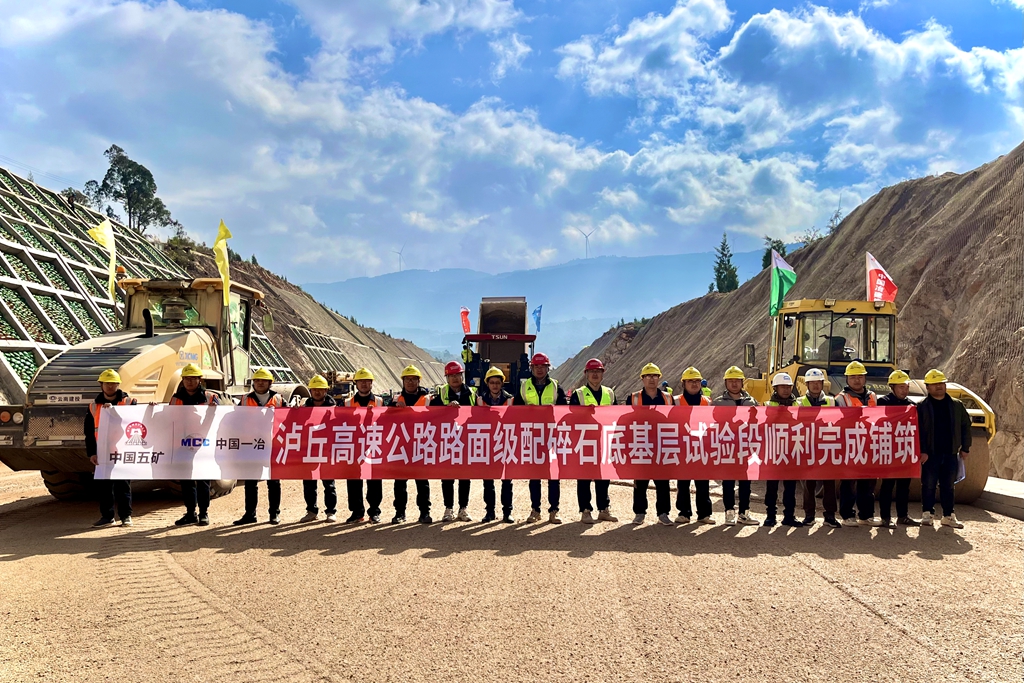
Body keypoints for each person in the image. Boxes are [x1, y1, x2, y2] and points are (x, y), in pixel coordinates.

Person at [514, 352, 567, 523]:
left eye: (542, 366)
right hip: (532, 437)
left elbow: (564, 411)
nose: (539, 369)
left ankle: (554, 510)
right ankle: (535, 510)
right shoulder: (524, 387)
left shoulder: (556, 387)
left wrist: (554, 411)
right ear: (531, 368)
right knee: (534, 476)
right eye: (536, 366)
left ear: (547, 368)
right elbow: (516, 410)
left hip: (552, 436)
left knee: (553, 475)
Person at [917, 369, 971, 529]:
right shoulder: (921, 407)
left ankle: (948, 516)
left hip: (950, 453)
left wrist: (965, 447)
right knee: (928, 485)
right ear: (927, 387)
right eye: (935, 384)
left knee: (948, 486)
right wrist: (922, 450)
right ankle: (927, 514)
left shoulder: (957, 405)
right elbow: (918, 431)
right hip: (930, 454)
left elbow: (965, 426)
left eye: (941, 383)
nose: (939, 386)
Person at [170, 363, 220, 527]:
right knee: (186, 481)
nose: (189, 381)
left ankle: (204, 513)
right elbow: (168, 419)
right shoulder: (176, 398)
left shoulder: (210, 397)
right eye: (186, 378)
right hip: (183, 444)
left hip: (203, 444)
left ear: (200, 380)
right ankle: (190, 513)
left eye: (193, 378)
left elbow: (220, 419)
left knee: (203, 479)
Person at [86, 369, 137, 527]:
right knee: (104, 487)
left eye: (113, 383)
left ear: (118, 385)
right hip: (103, 451)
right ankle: (107, 517)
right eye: (107, 383)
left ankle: (126, 516)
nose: (110, 386)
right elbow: (89, 432)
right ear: (101, 385)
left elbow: (140, 420)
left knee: (123, 485)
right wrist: (92, 453)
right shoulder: (94, 406)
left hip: (122, 450)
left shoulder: (129, 402)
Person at [569, 358, 618, 524]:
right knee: (584, 478)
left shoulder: (609, 393)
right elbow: (571, 417)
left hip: (604, 440)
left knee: (604, 477)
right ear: (586, 374)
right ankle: (585, 510)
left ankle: (603, 509)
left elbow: (615, 416)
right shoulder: (578, 394)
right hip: (585, 442)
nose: (595, 374)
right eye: (592, 371)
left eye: (598, 371)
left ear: (603, 373)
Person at [234, 368, 285, 526]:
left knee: (273, 482)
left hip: (272, 446)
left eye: (263, 380)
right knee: (250, 483)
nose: (260, 383)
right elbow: (234, 419)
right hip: (251, 447)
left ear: (270, 383)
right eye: (257, 380)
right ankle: (250, 514)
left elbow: (289, 419)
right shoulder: (244, 400)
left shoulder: (279, 399)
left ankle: (274, 514)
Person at [428, 360, 477, 522]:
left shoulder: (472, 394)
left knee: (465, 476)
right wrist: (446, 408)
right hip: (447, 440)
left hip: (465, 440)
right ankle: (448, 508)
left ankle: (463, 508)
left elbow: (478, 414)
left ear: (462, 376)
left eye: (457, 375)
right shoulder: (441, 393)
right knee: (447, 476)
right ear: (447, 378)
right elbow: (431, 413)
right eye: (451, 376)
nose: (455, 378)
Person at [834, 361, 881, 527]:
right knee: (849, 481)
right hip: (850, 445)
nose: (857, 380)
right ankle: (847, 515)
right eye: (853, 377)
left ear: (865, 378)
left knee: (868, 482)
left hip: (869, 444)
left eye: (860, 376)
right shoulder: (841, 398)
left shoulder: (873, 396)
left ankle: (866, 515)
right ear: (847, 379)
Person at [712, 366, 760, 526]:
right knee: (728, 482)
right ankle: (729, 513)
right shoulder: (717, 403)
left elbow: (758, 422)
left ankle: (744, 513)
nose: (734, 384)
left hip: (746, 448)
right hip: (728, 448)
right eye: (731, 381)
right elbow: (712, 424)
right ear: (726, 383)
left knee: (746, 482)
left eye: (737, 380)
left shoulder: (752, 402)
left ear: (742, 382)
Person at [628, 363, 674, 526]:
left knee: (663, 482)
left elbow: (674, 420)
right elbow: (627, 420)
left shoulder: (668, 398)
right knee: (640, 482)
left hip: (662, 445)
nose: (651, 379)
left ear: (659, 378)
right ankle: (639, 513)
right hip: (641, 443)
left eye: (655, 376)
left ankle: (663, 513)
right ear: (642, 379)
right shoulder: (633, 398)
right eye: (648, 376)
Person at [876, 370, 921, 528]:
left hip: (905, 451)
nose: (904, 390)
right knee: (887, 486)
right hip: (888, 450)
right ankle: (885, 517)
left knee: (904, 486)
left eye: (906, 387)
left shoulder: (912, 406)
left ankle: (903, 516)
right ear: (892, 387)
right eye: (901, 387)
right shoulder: (882, 403)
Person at [796, 368, 840, 528]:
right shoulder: (799, 402)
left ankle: (830, 516)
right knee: (809, 484)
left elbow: (839, 422)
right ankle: (809, 515)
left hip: (827, 445)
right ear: (807, 384)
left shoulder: (831, 401)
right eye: (812, 383)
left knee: (829, 483)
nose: (815, 385)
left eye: (818, 383)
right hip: (808, 446)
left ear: (823, 384)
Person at [392, 365, 433, 524]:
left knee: (422, 482)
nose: (410, 382)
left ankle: (424, 512)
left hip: (420, 445)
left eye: (413, 379)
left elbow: (440, 416)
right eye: (407, 379)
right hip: (401, 446)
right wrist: (394, 408)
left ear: (418, 381)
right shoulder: (395, 400)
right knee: (400, 483)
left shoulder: (429, 399)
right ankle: (400, 513)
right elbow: (384, 417)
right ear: (403, 381)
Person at [673, 367, 714, 525]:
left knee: (703, 482)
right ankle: (684, 513)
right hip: (682, 447)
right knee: (683, 482)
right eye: (690, 381)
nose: (694, 384)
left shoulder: (707, 402)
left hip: (702, 447)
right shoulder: (676, 401)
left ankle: (704, 514)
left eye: (697, 381)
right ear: (683, 384)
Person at [344, 368, 384, 523]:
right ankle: (357, 512)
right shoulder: (347, 403)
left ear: (371, 383)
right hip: (354, 445)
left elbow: (388, 419)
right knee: (353, 479)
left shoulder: (380, 402)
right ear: (356, 383)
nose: (364, 384)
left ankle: (374, 511)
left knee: (374, 479)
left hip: (373, 444)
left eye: (367, 381)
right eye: (361, 381)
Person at [764, 373, 803, 527]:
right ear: (775, 388)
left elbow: (802, 425)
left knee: (790, 487)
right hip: (774, 451)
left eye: (788, 387)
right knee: (772, 486)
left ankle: (789, 516)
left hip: (792, 450)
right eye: (782, 387)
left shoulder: (798, 405)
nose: (786, 390)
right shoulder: (767, 405)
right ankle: (770, 515)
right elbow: (763, 426)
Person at [298, 374, 339, 523]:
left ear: (326, 391)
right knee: (309, 482)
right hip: (310, 450)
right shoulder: (303, 408)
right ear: (310, 391)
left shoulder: (334, 409)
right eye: (314, 389)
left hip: (327, 450)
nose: (317, 392)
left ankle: (331, 511)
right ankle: (311, 511)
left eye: (320, 389)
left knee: (329, 483)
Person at [477, 367, 516, 523]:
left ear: (502, 383)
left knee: (507, 480)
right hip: (487, 444)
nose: (495, 385)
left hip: (505, 443)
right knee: (488, 481)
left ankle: (507, 512)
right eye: (492, 382)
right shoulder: (479, 400)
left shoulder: (511, 400)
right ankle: (490, 512)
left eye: (497, 382)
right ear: (487, 384)